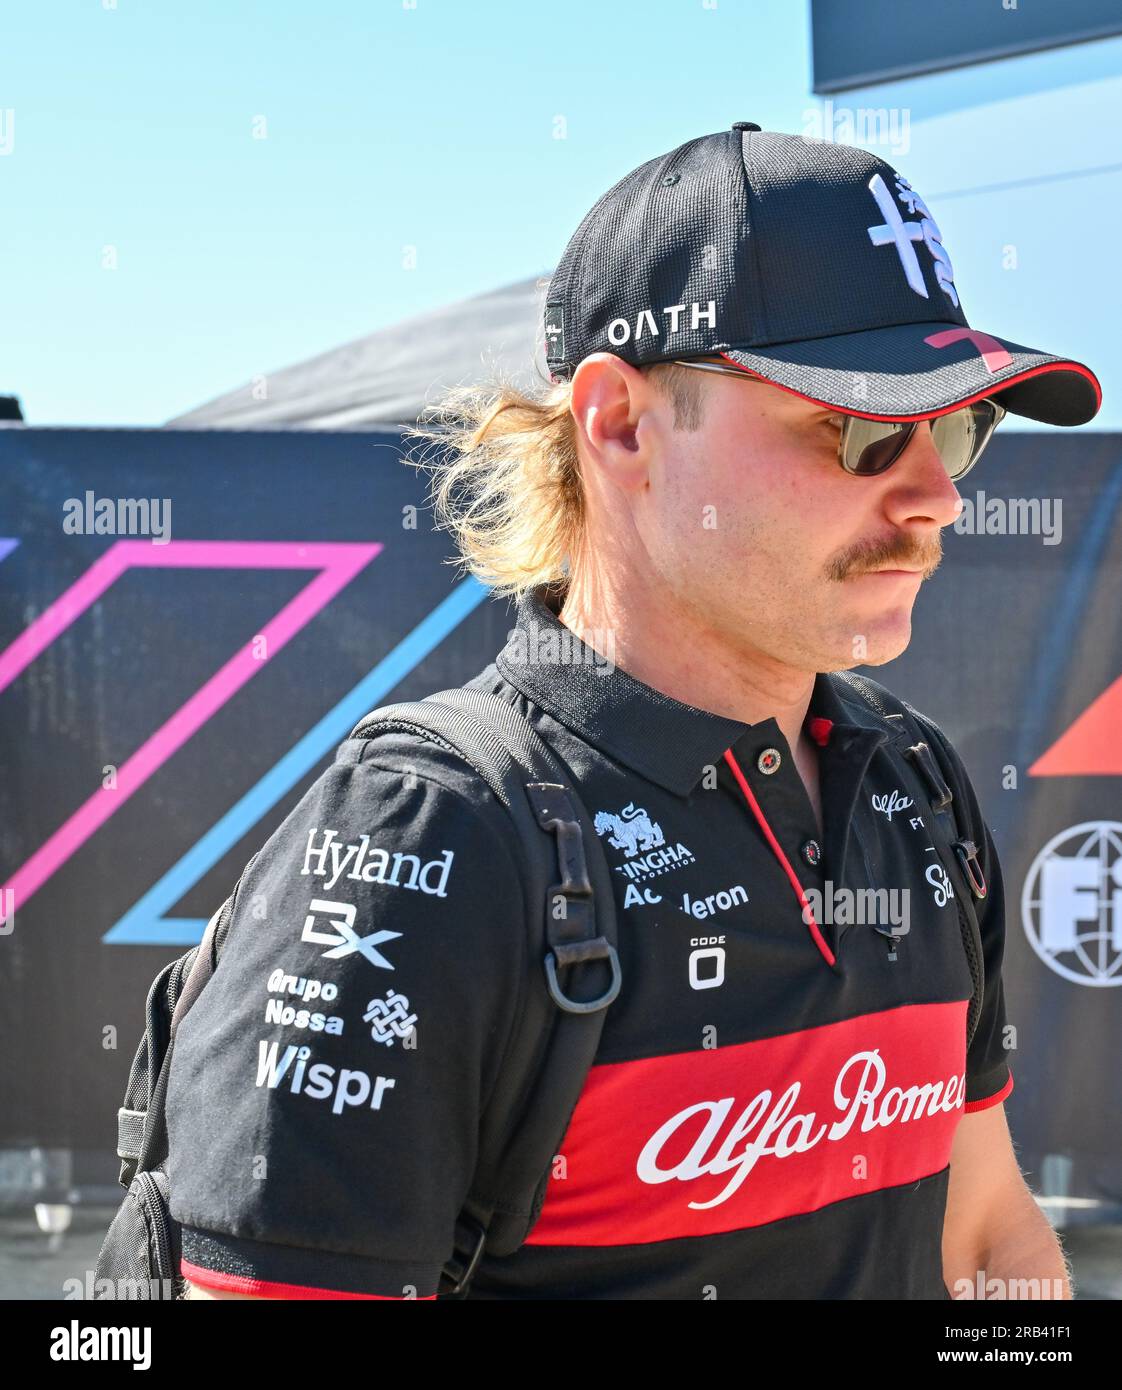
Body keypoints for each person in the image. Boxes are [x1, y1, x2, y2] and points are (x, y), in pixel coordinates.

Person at [169, 122, 1101, 1300]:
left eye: (957, 429)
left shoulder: (912, 782)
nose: (934, 500)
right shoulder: (430, 836)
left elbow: (982, 1235)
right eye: (862, 427)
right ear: (619, 424)